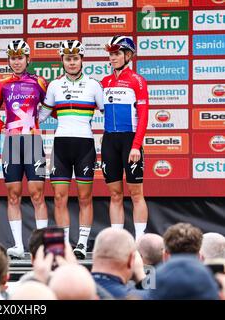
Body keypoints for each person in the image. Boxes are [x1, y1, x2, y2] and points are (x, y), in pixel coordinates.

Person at [0, 40, 49, 259]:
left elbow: (52, 107)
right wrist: (0, 127)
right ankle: (19, 246)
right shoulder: (2, 84)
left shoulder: (39, 82)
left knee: (38, 194)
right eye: (13, 58)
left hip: (33, 142)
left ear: (28, 59)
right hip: (11, 143)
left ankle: (42, 246)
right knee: (13, 195)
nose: (16, 62)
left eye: (20, 58)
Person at [39, 40, 103, 259]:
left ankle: (82, 244)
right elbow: (41, 115)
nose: (72, 62)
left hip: (85, 145)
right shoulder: (54, 86)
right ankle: (64, 245)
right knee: (59, 197)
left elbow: (109, 114)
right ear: (62, 61)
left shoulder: (94, 85)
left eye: (76, 58)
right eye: (68, 58)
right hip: (61, 146)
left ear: (82, 60)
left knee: (85, 198)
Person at [101, 36, 149, 240]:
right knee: (115, 194)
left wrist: (136, 145)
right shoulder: (104, 82)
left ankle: (139, 241)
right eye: (111, 54)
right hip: (109, 141)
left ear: (128, 55)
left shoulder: (137, 81)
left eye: (117, 53)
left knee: (136, 193)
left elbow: (144, 116)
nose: (113, 58)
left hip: (130, 141)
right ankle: (117, 240)